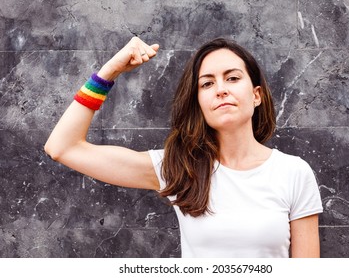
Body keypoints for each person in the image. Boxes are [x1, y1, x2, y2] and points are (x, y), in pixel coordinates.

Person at [45, 36, 323, 258]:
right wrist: (109, 71)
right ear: (200, 103)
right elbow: (62, 147)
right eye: (207, 83)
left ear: (257, 95)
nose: (221, 89)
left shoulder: (293, 172)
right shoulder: (178, 168)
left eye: (233, 78)